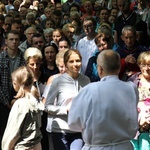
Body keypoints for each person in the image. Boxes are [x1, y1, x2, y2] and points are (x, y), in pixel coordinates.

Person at [68, 49, 139, 150]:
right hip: (124, 146)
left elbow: (73, 123)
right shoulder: (131, 88)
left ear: (100, 69)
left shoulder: (89, 90)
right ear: (119, 68)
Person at [45, 49, 90, 150]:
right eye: (71, 61)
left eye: (78, 61)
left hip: (79, 130)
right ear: (65, 64)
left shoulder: (86, 80)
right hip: (60, 130)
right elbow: (47, 106)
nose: (75, 64)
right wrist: (65, 110)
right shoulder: (57, 81)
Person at [2, 66, 43, 150]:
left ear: (15, 84)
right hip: (37, 145)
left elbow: (13, 131)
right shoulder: (35, 100)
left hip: (23, 147)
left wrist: (6, 147)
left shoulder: (20, 104)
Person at [0, 30, 25, 149]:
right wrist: (6, 102)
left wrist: (18, 99)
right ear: (6, 41)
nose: (14, 42)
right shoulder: (0, 58)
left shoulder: (24, 58)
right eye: (11, 39)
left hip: (19, 100)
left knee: (18, 134)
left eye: (16, 39)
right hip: (2, 101)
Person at [24, 47, 49, 150]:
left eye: (37, 64)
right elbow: (13, 100)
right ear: (26, 63)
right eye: (31, 64)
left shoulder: (47, 78)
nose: (35, 67)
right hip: (28, 121)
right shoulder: (22, 79)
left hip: (44, 120)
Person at [128, 51, 150, 150]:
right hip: (134, 126)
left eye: (149, 65)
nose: (147, 68)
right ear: (139, 65)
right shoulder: (133, 80)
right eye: (144, 64)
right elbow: (125, 103)